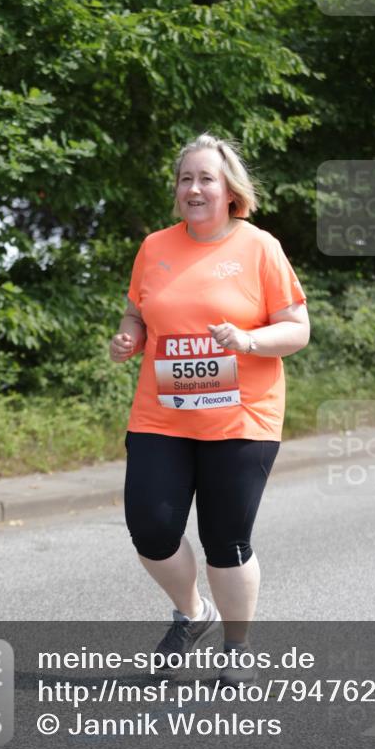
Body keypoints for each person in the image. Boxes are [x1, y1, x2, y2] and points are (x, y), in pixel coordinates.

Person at [109, 132, 310, 686]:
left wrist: (246, 342)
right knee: (150, 528)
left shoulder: (259, 247)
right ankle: (193, 613)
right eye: (185, 179)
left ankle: (237, 645)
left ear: (229, 191)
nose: (194, 188)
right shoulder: (155, 247)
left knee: (227, 540)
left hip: (242, 416)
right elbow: (136, 316)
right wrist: (128, 337)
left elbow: (297, 329)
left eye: (206, 179)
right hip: (162, 414)